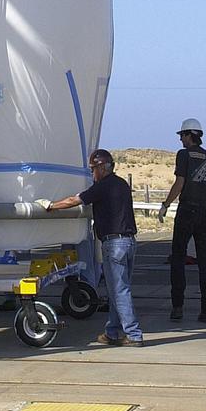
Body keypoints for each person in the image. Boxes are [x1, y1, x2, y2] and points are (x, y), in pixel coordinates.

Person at [44, 148, 144, 346]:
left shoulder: (102, 187)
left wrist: (50, 205)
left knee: (119, 290)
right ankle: (112, 332)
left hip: (114, 244)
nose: (92, 174)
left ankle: (134, 334)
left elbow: (74, 200)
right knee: (117, 290)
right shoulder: (122, 184)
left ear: (102, 168)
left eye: (93, 169)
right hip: (129, 242)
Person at [157, 118, 206, 324]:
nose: (181, 140)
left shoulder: (184, 155)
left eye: (182, 136)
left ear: (189, 135)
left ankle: (177, 307)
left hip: (187, 211)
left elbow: (180, 183)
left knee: (178, 258)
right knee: (204, 261)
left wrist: (166, 204)